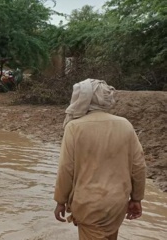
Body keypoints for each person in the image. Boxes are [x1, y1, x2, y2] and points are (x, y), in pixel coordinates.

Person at [53, 79, 146, 239]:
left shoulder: (74, 127)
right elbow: (138, 166)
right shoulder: (125, 125)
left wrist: (60, 201)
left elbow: (66, 168)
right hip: (117, 203)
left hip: (88, 204)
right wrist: (136, 199)